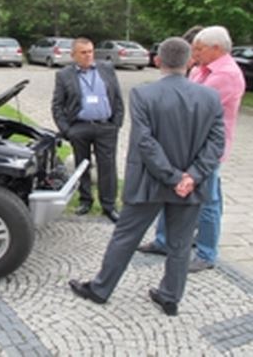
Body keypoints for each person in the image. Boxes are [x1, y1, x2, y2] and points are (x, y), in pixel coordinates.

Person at [68, 37, 225, 316]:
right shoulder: (210, 97)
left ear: (157, 60)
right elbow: (217, 143)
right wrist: (191, 176)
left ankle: (101, 289)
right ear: (189, 61)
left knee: (125, 237)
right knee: (180, 244)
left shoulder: (143, 94)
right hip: (190, 185)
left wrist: (173, 176)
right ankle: (170, 297)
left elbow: (145, 141)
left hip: (149, 182)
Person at [138, 26, 246, 273]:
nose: (193, 53)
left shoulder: (227, 75)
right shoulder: (199, 69)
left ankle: (206, 253)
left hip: (206, 149)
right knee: (171, 189)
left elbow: (193, 106)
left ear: (216, 49)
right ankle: (163, 240)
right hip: (184, 143)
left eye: (198, 49)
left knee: (208, 201)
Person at [52, 37, 124, 222]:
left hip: (106, 126)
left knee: (108, 167)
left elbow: (117, 98)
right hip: (80, 126)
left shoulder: (106, 69)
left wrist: (116, 123)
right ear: (73, 55)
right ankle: (85, 200)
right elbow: (57, 106)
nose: (88, 55)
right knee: (81, 165)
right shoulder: (64, 75)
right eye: (83, 52)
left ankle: (109, 205)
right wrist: (67, 130)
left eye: (90, 51)